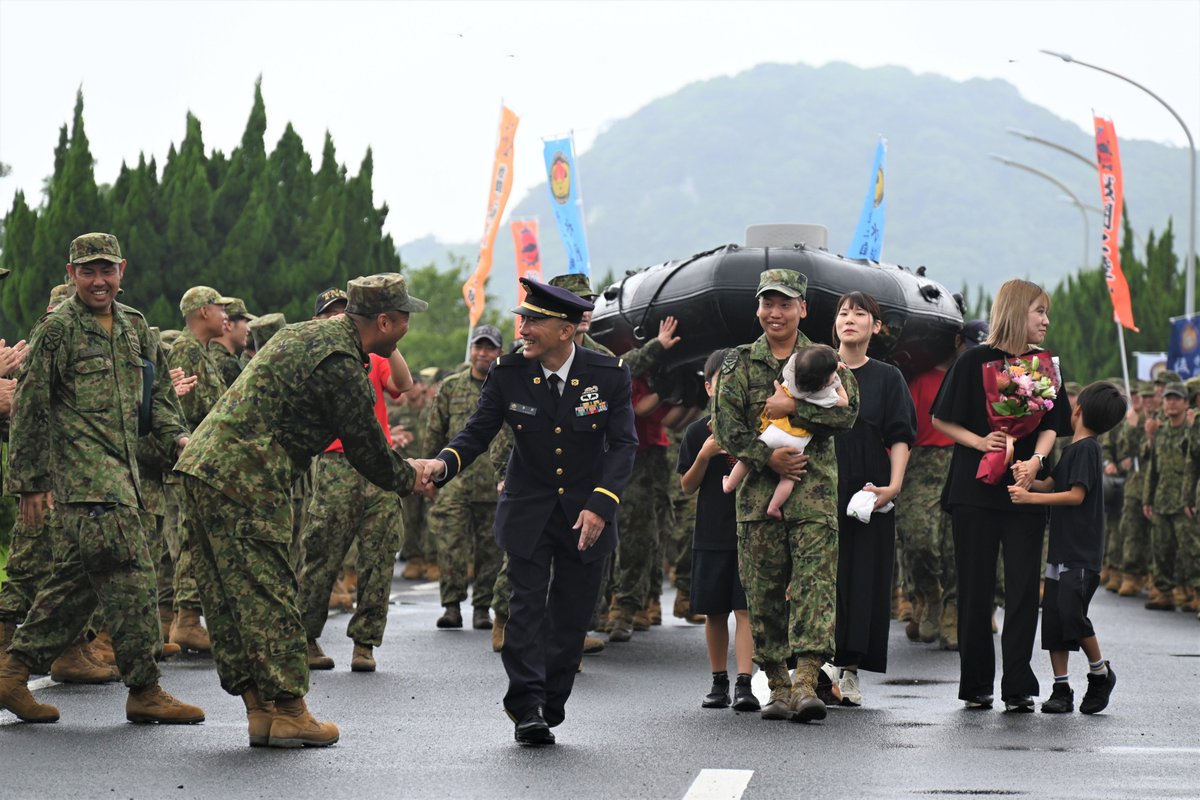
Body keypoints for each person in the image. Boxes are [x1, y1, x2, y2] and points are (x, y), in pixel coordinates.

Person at [174, 273, 429, 749]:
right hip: (244, 478)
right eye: (406, 318)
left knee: (226, 596)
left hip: (203, 469)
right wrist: (410, 476)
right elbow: (366, 447)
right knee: (268, 593)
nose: (407, 327)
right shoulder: (339, 361)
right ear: (385, 321)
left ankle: (260, 710)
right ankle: (290, 710)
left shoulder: (305, 334)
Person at [411, 277, 636, 747]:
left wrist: (601, 503)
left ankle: (552, 698)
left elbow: (622, 446)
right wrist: (441, 464)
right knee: (526, 610)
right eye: (523, 319)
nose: (524, 329)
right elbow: (477, 431)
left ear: (566, 330)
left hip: (586, 516)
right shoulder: (508, 372)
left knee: (572, 617)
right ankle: (527, 705)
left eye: (534, 321)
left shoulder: (608, 373)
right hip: (528, 510)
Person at [0, 232, 203, 725]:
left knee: (81, 582)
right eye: (87, 272)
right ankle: (146, 689)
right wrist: (29, 482)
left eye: (106, 270)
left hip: (127, 475)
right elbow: (28, 408)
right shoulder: (57, 330)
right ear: (71, 275)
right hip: (86, 480)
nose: (98, 281)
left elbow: (156, 397)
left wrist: (178, 438)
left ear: (122, 271)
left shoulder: (135, 327)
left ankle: (12, 671)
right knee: (134, 575)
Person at [712, 269, 859, 724]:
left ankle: (805, 683)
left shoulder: (825, 357)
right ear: (758, 308)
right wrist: (766, 458)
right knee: (764, 591)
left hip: (813, 498)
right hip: (757, 501)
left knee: (816, 586)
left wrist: (793, 409)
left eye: (785, 304)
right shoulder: (738, 362)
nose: (774, 313)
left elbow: (848, 415)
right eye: (767, 304)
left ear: (803, 309)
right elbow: (724, 424)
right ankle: (776, 683)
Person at [931, 279, 1072, 712]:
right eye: (1039, 312)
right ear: (1015, 312)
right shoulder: (974, 360)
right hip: (974, 489)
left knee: (1024, 589)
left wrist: (1037, 463)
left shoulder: (1044, 365)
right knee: (974, 588)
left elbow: (1052, 422)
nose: (1046, 321)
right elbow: (940, 418)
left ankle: (1018, 685)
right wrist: (980, 443)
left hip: (1023, 492)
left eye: (1046, 313)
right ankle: (976, 684)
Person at [299, 290, 413, 673]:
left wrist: (389, 343)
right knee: (323, 553)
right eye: (330, 314)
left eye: (344, 314)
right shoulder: (316, 357)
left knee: (379, 554)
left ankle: (364, 643)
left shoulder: (373, 356)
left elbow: (404, 384)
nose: (339, 320)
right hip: (335, 466)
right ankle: (307, 637)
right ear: (318, 321)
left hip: (376, 466)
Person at [1007, 381, 1126, 714]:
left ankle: (1100, 671)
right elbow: (1052, 483)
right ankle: (1061, 688)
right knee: (1055, 620)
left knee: (1073, 614)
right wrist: (1027, 476)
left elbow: (1076, 495)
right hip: (1060, 550)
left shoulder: (1088, 449)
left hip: (1081, 553)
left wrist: (1032, 498)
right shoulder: (1072, 450)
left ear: (1078, 410)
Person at [830, 292, 917, 706]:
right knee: (817, 576)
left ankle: (849, 669)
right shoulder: (816, 366)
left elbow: (900, 435)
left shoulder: (888, 377)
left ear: (875, 327)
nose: (850, 319)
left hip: (868, 489)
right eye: (843, 312)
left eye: (859, 313)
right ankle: (811, 664)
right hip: (817, 482)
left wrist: (894, 486)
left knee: (862, 576)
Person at [896, 319, 987, 651]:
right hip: (921, 463)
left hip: (962, 459)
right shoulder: (920, 379)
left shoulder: (982, 380)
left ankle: (951, 609)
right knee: (917, 537)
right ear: (957, 342)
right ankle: (928, 593)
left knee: (956, 544)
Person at [678, 349, 758, 713]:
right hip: (711, 533)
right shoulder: (697, 432)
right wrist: (704, 456)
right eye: (718, 382)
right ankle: (718, 680)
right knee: (714, 611)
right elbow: (687, 485)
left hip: (749, 531)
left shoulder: (755, 427)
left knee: (745, 609)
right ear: (708, 387)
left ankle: (745, 683)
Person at [165, 284, 234, 654]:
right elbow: (178, 408)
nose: (226, 314)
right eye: (220, 307)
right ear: (203, 311)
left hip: (205, 461)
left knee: (199, 539)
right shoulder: (185, 350)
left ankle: (186, 618)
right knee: (190, 540)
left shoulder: (202, 352)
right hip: (188, 460)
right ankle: (186, 621)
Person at [425, 324, 506, 630]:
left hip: (492, 482)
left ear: (499, 353)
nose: (482, 353)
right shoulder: (451, 387)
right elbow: (435, 432)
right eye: (478, 347)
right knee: (450, 545)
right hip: (455, 484)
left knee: (490, 549)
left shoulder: (505, 385)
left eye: (489, 348)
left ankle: (483, 608)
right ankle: (451, 605)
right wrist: (429, 475)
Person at [722, 344, 848, 517]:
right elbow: (844, 402)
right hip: (797, 441)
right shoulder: (826, 395)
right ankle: (774, 507)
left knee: (746, 461)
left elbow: (798, 367)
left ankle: (729, 484)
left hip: (776, 431)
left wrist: (830, 370)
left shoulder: (792, 381)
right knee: (790, 477)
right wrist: (836, 382)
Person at [1141, 381, 1195, 612]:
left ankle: (1194, 592)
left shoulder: (1192, 429)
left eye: (1176, 398)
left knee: (1191, 549)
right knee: (1161, 548)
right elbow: (1152, 466)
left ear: (1185, 403)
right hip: (1162, 498)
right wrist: (1147, 498)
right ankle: (1164, 593)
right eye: (1168, 398)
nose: (1171, 402)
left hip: (1185, 499)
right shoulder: (1160, 430)